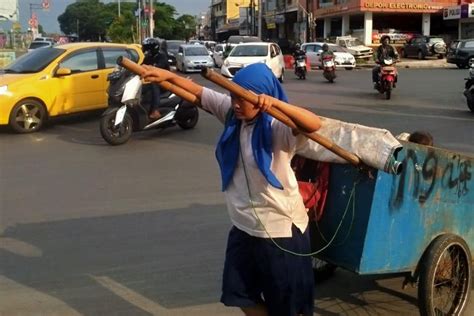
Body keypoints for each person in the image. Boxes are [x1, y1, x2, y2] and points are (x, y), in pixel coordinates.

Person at [141, 62, 322, 316]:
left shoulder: (278, 128)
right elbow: (197, 93)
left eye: (242, 98)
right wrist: (166, 76)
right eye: (232, 96)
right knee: (239, 294)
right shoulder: (233, 115)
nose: (235, 103)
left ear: (260, 99)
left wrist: (275, 104)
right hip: (245, 227)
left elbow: (313, 124)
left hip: (280, 232)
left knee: (290, 308)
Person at [141, 38, 170, 120]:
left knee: (154, 84)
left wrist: (150, 68)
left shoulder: (161, 56)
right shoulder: (148, 57)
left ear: (153, 48)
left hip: (165, 81)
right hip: (153, 80)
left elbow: (158, 68)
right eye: (145, 48)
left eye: (147, 48)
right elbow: (141, 66)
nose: (145, 51)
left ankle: (155, 110)